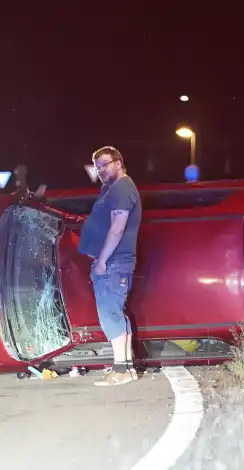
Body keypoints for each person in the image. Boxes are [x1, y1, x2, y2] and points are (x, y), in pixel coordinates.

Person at [77, 146, 143, 387]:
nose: (101, 170)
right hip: (117, 261)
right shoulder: (115, 188)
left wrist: (102, 260)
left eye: (105, 164)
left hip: (114, 262)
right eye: (97, 167)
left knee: (110, 313)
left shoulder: (122, 188)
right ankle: (126, 368)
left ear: (119, 162)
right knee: (117, 313)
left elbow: (117, 228)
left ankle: (121, 371)